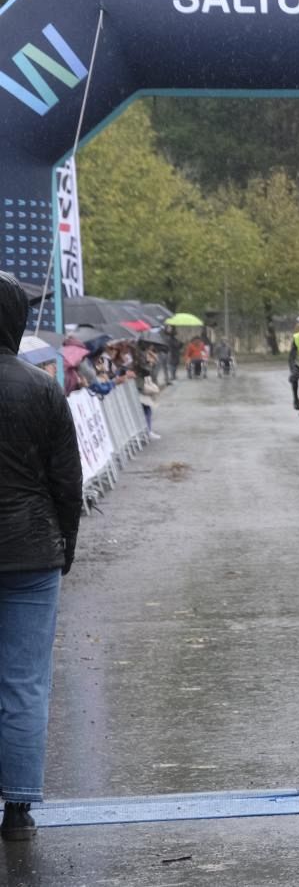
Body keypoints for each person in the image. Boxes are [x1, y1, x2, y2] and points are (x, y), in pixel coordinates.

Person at [0, 272, 83, 842]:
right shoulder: (42, 387)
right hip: (31, 555)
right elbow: (66, 484)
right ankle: (19, 812)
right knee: (25, 683)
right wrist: (64, 548)